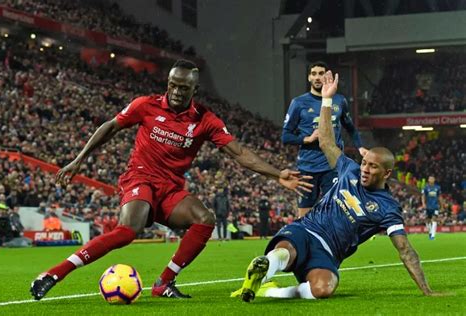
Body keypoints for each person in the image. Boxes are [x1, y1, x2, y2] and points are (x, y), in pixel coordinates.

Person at [30, 59, 312, 300]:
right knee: (129, 229)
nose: (177, 92)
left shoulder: (205, 119)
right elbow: (110, 127)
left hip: (170, 189)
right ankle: (54, 274)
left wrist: (278, 174)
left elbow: (239, 153)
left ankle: (164, 282)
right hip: (140, 178)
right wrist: (79, 160)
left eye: (184, 88)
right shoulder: (145, 105)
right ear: (168, 83)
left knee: (205, 219)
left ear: (194, 90)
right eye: (173, 85)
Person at [232, 70, 439, 302]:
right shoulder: (348, 168)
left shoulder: (388, 208)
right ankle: (264, 267)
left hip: (328, 252)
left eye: (372, 167)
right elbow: (326, 141)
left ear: (387, 173)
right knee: (284, 253)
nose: (365, 169)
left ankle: (268, 290)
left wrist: (426, 289)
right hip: (306, 230)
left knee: (323, 289)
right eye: (364, 163)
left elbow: (405, 249)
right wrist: (327, 100)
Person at [282, 61, 368, 217]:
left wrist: (360, 147)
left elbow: (350, 127)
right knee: (304, 214)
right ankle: (305, 240)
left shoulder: (339, 100)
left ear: (326, 76)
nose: (317, 77)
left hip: (333, 164)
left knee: (336, 209)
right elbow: (286, 136)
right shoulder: (299, 103)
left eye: (321, 73)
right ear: (309, 77)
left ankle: (335, 240)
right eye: (313, 74)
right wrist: (307, 139)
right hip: (308, 167)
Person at [422, 176, 443, 240]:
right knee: (427, 220)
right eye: (430, 179)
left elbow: (439, 197)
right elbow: (423, 196)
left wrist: (441, 205)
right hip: (428, 206)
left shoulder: (437, 187)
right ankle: (430, 232)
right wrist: (423, 204)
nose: (431, 179)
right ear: (428, 180)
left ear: (434, 180)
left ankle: (433, 235)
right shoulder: (425, 187)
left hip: (435, 206)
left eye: (433, 179)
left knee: (434, 219)